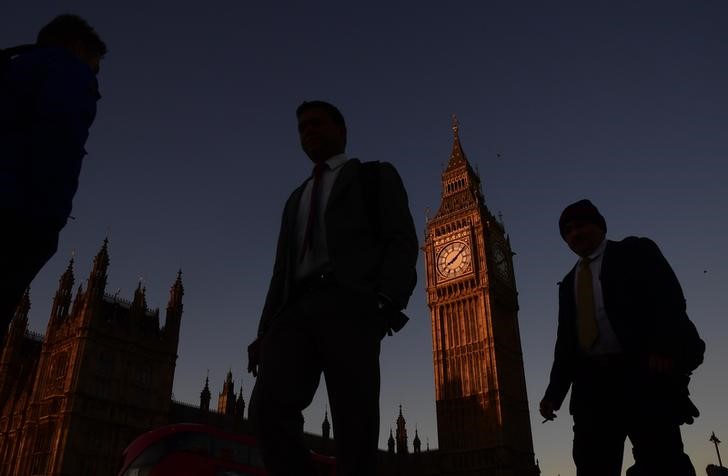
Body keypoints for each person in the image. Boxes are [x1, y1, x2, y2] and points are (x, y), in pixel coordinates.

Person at [247, 100, 418, 476]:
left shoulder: (374, 177)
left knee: (355, 427)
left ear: (342, 131)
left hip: (351, 305)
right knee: (265, 410)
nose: (307, 132)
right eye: (301, 128)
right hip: (295, 311)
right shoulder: (295, 199)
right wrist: (264, 332)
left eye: (316, 124)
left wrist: (386, 300)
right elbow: (281, 272)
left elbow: (402, 240)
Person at [539, 199, 704, 476]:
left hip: (640, 374)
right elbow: (566, 343)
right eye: (567, 231)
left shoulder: (635, 251)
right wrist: (553, 395)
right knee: (593, 465)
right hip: (592, 388)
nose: (574, 234)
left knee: (662, 460)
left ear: (599, 225)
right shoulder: (569, 283)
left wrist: (663, 347)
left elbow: (668, 299)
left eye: (580, 225)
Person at [0, 14, 106, 342]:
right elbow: (58, 140)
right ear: (76, 46)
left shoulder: (12, 67)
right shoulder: (67, 70)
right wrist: (46, 220)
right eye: (94, 66)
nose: (95, 76)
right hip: (16, 215)